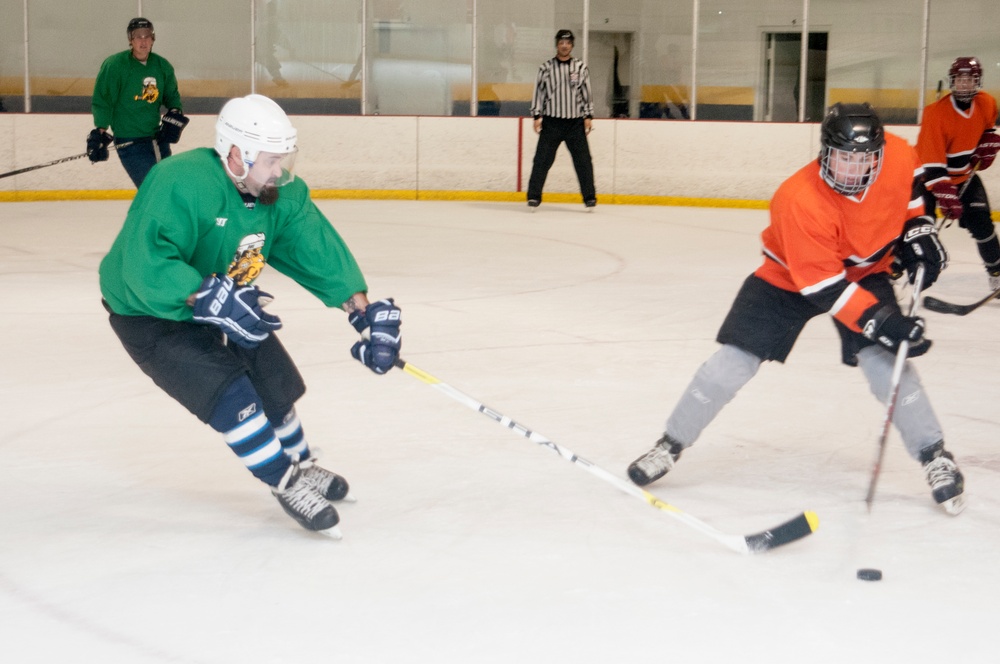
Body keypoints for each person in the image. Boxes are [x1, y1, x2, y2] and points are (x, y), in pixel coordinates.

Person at [626, 103, 965, 515]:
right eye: (843, 157)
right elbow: (824, 287)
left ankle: (935, 455)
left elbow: (912, 187)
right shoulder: (799, 199)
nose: (853, 169)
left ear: (877, 153)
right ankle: (670, 444)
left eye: (863, 159)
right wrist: (883, 321)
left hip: (865, 270)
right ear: (825, 151)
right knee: (732, 363)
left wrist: (917, 227)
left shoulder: (894, 152)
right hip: (790, 276)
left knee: (887, 365)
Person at [98, 94, 402, 537]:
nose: (280, 171)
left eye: (284, 159)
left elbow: (313, 246)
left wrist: (363, 310)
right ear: (237, 155)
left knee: (275, 384)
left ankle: (301, 462)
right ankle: (284, 479)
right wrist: (201, 293)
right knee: (232, 397)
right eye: (272, 160)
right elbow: (142, 263)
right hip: (149, 312)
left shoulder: (276, 193)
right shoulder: (178, 181)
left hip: (223, 298)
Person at [916, 56, 1000, 291]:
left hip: (964, 176)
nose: (964, 85)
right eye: (960, 79)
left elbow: (987, 131)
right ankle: (898, 267)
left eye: (970, 80)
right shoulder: (935, 113)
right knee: (921, 226)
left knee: (983, 224)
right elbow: (931, 164)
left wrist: (987, 144)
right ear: (952, 82)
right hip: (928, 179)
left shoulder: (987, 103)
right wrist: (945, 194)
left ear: (978, 82)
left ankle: (997, 272)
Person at [88, 17, 189, 188]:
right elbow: (103, 99)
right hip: (130, 142)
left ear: (153, 39)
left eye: (147, 36)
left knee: (168, 187)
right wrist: (100, 130)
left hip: (157, 139)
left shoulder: (162, 66)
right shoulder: (115, 65)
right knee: (151, 188)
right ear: (131, 39)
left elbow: (172, 96)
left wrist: (175, 113)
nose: (143, 41)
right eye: (138, 36)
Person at [526, 29, 596, 212]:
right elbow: (538, 92)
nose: (564, 46)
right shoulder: (546, 68)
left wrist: (588, 115)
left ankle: (590, 198)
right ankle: (533, 197)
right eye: (561, 42)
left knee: (583, 162)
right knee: (541, 160)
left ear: (572, 45)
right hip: (552, 123)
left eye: (568, 42)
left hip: (575, 123)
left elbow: (586, 93)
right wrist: (536, 115)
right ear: (557, 44)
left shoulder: (580, 67)